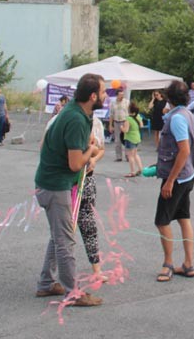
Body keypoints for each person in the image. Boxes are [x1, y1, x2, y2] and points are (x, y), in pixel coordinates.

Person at [33, 73, 104, 306]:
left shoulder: (78, 112)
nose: (105, 96)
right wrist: (91, 153)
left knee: (59, 235)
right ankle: (72, 293)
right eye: (103, 92)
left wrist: (88, 143)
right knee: (65, 240)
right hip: (56, 186)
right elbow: (75, 163)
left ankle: (46, 283)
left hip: (56, 184)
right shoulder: (74, 118)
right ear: (93, 96)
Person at [155, 80, 194, 283]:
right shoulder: (187, 114)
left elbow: (184, 150)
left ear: (169, 98)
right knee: (183, 218)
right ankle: (188, 264)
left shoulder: (176, 118)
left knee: (162, 221)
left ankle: (168, 264)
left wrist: (169, 181)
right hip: (187, 175)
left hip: (179, 178)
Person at [78, 111, 107, 280]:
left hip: (87, 180)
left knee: (89, 225)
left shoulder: (96, 122)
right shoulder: (65, 120)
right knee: (64, 230)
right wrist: (91, 150)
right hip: (70, 181)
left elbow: (100, 149)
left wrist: (95, 159)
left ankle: (96, 270)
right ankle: (50, 275)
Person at [122, 102, 144, 178]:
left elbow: (126, 130)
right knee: (135, 154)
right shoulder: (138, 116)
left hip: (130, 138)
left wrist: (122, 128)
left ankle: (132, 172)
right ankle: (140, 169)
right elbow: (141, 125)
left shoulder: (128, 119)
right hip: (137, 137)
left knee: (130, 156)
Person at [108, 88, 129, 163]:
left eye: (123, 94)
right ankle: (119, 157)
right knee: (117, 140)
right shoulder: (113, 103)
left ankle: (128, 156)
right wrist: (110, 125)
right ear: (117, 95)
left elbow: (129, 113)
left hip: (125, 121)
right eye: (120, 95)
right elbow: (111, 114)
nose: (122, 96)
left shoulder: (126, 102)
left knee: (126, 139)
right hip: (116, 122)